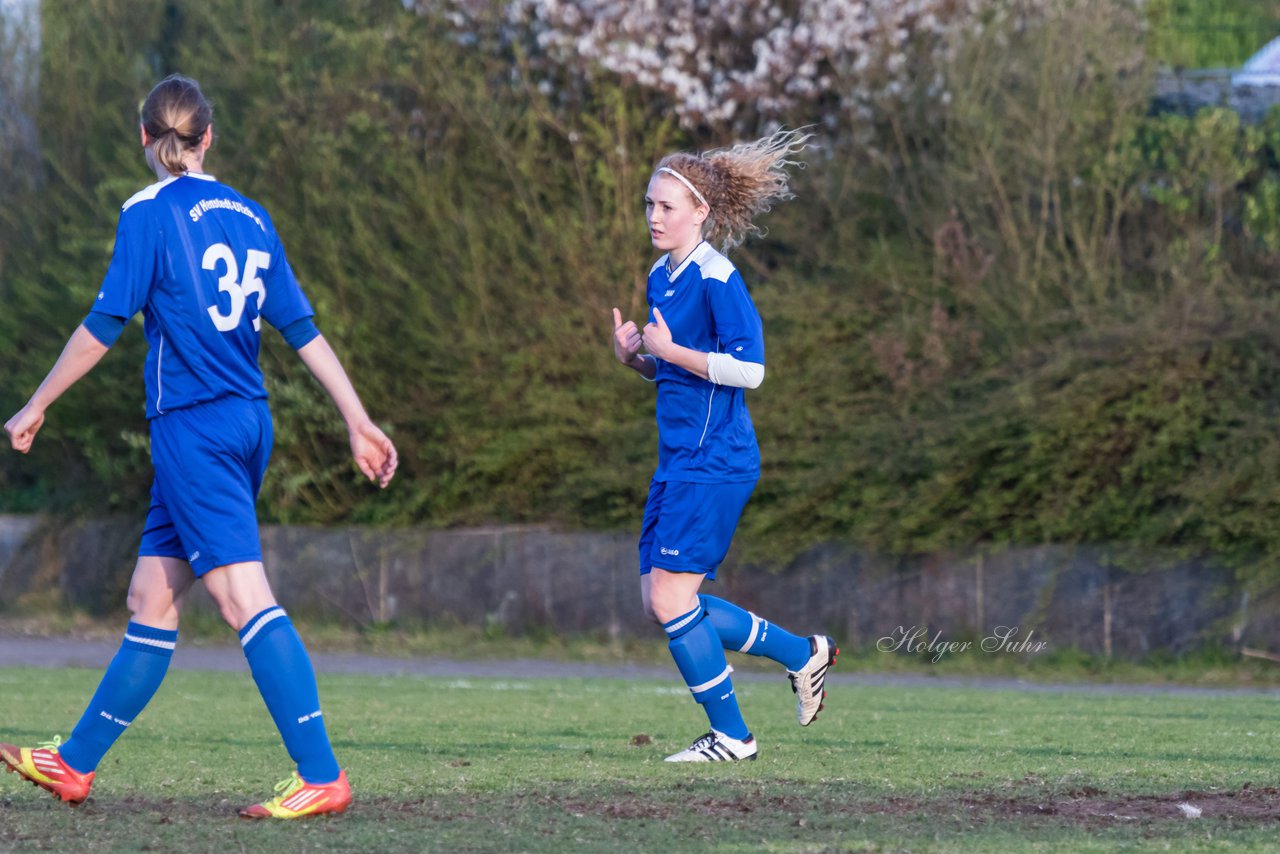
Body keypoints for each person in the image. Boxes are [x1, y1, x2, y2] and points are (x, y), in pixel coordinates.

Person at [0, 75, 397, 818]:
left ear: (145, 138)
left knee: (243, 599)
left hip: (193, 426)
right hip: (248, 422)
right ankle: (74, 763)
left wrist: (36, 402)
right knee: (150, 599)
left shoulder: (146, 213)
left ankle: (322, 774)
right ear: (208, 137)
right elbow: (301, 330)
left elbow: (103, 325)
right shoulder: (251, 214)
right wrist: (358, 418)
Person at [611, 131, 837, 762]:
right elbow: (678, 370)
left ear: (700, 213)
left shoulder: (718, 277)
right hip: (679, 457)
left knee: (669, 599)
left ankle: (734, 737)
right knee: (660, 600)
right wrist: (636, 360)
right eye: (649, 205)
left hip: (716, 459)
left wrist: (671, 351)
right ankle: (802, 653)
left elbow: (751, 370)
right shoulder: (663, 275)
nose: (653, 217)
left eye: (666, 207)